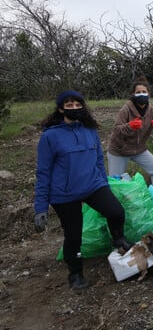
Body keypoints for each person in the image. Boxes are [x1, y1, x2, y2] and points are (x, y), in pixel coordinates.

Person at [33, 90, 132, 290]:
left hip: (92, 186)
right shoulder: (50, 136)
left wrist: (103, 182)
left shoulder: (89, 130)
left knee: (116, 212)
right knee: (73, 235)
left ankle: (118, 238)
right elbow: (43, 172)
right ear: (61, 109)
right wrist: (40, 207)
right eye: (69, 105)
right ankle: (75, 273)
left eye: (78, 105)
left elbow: (98, 160)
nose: (75, 108)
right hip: (64, 194)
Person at [107, 77, 153, 192]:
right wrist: (130, 126)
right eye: (138, 92)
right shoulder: (126, 110)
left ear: (148, 93)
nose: (141, 94)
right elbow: (116, 130)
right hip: (119, 150)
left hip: (139, 149)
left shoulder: (152, 111)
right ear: (133, 94)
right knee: (116, 183)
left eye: (144, 92)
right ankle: (120, 208)